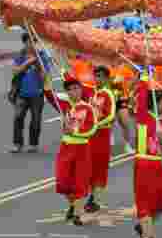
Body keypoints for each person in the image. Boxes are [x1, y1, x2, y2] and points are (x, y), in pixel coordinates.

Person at [44, 74, 97, 225]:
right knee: (62, 182)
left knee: (80, 182)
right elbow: (50, 96)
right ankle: (74, 206)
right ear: (67, 92)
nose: (74, 92)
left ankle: (78, 215)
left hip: (81, 148)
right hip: (66, 147)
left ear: (81, 90)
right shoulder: (65, 106)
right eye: (70, 90)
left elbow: (92, 128)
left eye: (76, 88)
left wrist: (74, 131)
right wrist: (46, 83)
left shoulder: (88, 108)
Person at [132, 71, 162, 238]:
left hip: (157, 162)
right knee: (145, 200)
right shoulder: (144, 117)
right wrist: (145, 79)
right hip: (144, 161)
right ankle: (147, 237)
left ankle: (143, 226)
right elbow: (141, 98)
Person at [85, 65, 116, 212]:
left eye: (100, 77)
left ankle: (96, 200)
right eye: (96, 76)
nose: (97, 79)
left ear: (106, 78)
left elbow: (110, 115)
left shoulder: (108, 94)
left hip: (102, 134)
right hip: (92, 135)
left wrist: (96, 124)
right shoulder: (95, 94)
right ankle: (92, 196)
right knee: (90, 166)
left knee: (100, 167)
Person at [10, 33, 45, 154]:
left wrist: (38, 65)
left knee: (36, 120)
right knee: (18, 118)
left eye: (34, 42)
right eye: (29, 42)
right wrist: (28, 63)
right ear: (24, 42)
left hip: (37, 94)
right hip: (21, 94)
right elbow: (14, 71)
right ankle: (17, 144)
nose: (31, 44)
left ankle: (33, 144)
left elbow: (45, 75)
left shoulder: (41, 56)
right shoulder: (20, 56)